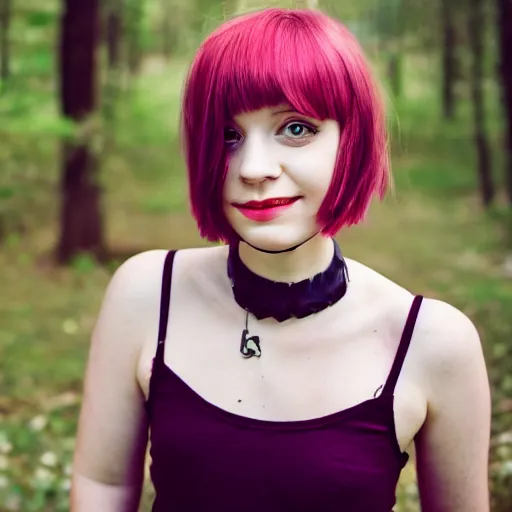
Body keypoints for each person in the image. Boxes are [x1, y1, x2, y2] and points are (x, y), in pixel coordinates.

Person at [70, 7, 491, 512]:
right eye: (228, 136)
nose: (254, 168)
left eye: (295, 128)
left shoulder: (433, 342)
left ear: (350, 141)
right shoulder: (144, 294)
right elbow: (103, 484)